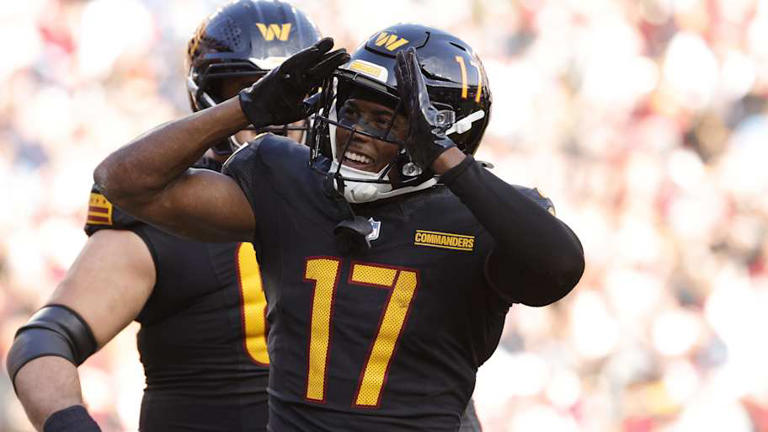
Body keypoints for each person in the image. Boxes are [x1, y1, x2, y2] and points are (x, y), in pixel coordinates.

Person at [92, 23, 584, 431]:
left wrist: (448, 162)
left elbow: (560, 268)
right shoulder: (288, 179)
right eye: (351, 111)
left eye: (387, 120)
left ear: (444, 131)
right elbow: (124, 181)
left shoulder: (486, 213)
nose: (354, 132)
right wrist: (244, 108)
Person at [5, 1, 321, 431]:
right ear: (209, 97)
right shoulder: (167, 208)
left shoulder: (345, 199)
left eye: (290, 96)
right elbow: (43, 341)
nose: (277, 115)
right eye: (254, 92)